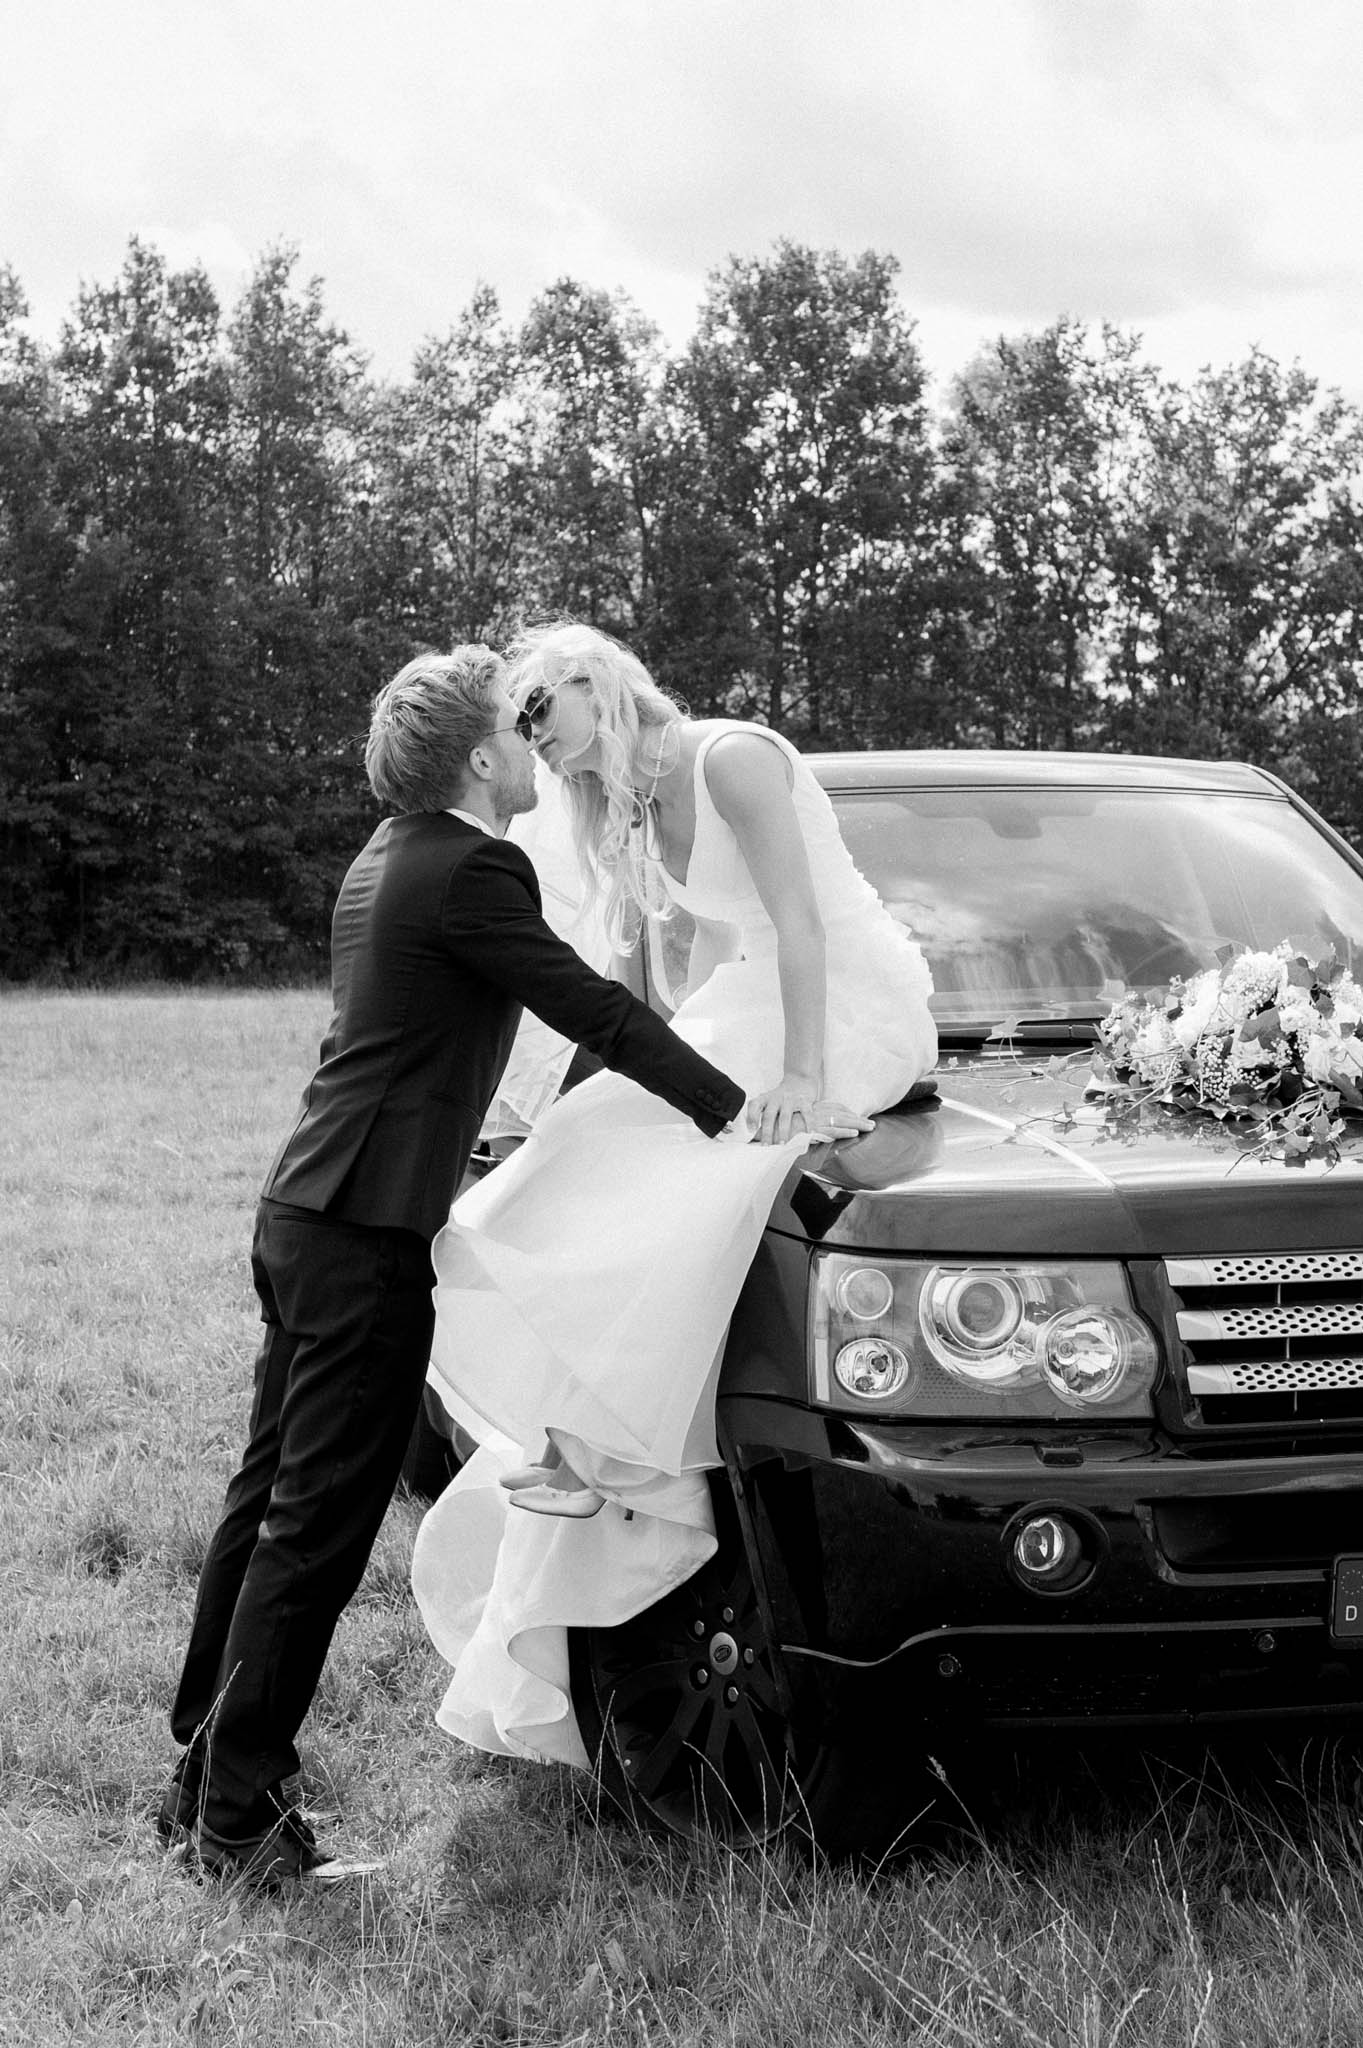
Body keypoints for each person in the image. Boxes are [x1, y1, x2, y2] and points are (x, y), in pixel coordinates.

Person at [158, 645, 746, 1890]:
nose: (534, 742)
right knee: (315, 1528)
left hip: (306, 1212)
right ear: (481, 757)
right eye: (516, 727)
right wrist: (736, 1106)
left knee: (267, 1502)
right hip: (365, 1236)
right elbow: (594, 1011)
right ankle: (239, 1814)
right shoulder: (475, 866)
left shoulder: (385, 856)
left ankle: (198, 1779)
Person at [411, 622, 936, 1766]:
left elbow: (801, 921)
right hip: (752, 1002)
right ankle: (577, 1427)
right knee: (578, 1147)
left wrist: (802, 1078)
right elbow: (681, 966)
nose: (537, 746)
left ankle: (616, 1439)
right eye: (522, 730)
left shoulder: (731, 757)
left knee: (691, 1169)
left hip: (851, 1003)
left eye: (541, 715)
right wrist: (635, 1068)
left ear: (592, 681)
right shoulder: (629, 803)